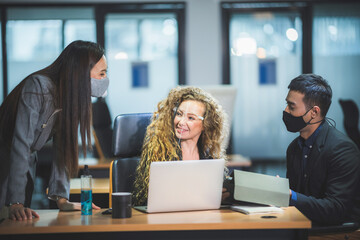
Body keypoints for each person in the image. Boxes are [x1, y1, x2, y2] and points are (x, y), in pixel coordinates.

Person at [0, 40, 109, 221]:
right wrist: (16, 201)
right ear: (81, 73)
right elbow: (21, 143)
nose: (105, 80)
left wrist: (62, 199)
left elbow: (63, 149)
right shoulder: (38, 87)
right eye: (102, 73)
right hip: (7, 158)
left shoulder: (71, 98)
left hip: (24, 164)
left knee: (19, 221)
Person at [283, 73, 360, 225]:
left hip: (336, 229)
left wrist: (291, 195)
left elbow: (335, 209)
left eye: (291, 106)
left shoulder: (342, 149)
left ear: (314, 112)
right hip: (304, 222)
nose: (286, 110)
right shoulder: (294, 148)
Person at [133, 86, 229, 206]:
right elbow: (145, 198)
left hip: (201, 218)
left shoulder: (209, 156)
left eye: (190, 118)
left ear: (206, 124)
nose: (181, 122)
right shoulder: (160, 151)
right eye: (179, 114)